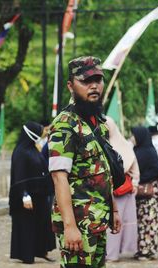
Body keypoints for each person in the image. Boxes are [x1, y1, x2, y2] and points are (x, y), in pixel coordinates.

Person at [48, 56, 121, 268]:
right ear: (71, 86)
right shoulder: (64, 125)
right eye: (86, 81)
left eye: (98, 80)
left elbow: (104, 171)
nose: (94, 86)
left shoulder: (99, 123)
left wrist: (114, 209)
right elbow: (58, 177)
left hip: (98, 219)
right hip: (78, 224)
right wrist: (70, 227)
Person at [9, 121, 56, 264]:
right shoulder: (20, 152)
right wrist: (24, 195)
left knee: (42, 223)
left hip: (39, 194)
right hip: (27, 197)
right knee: (27, 225)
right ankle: (26, 254)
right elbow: (19, 175)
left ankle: (41, 250)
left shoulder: (34, 149)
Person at [105, 117, 140, 262]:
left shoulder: (124, 145)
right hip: (108, 190)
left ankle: (112, 254)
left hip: (122, 191)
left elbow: (134, 167)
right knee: (109, 222)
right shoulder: (101, 144)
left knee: (118, 222)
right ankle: (109, 252)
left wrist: (136, 183)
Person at [131, 127, 158, 261]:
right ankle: (142, 249)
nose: (132, 138)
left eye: (134, 135)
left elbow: (157, 170)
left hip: (149, 192)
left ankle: (148, 250)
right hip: (140, 193)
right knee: (140, 222)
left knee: (149, 221)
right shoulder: (137, 150)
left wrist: (140, 178)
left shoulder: (149, 151)